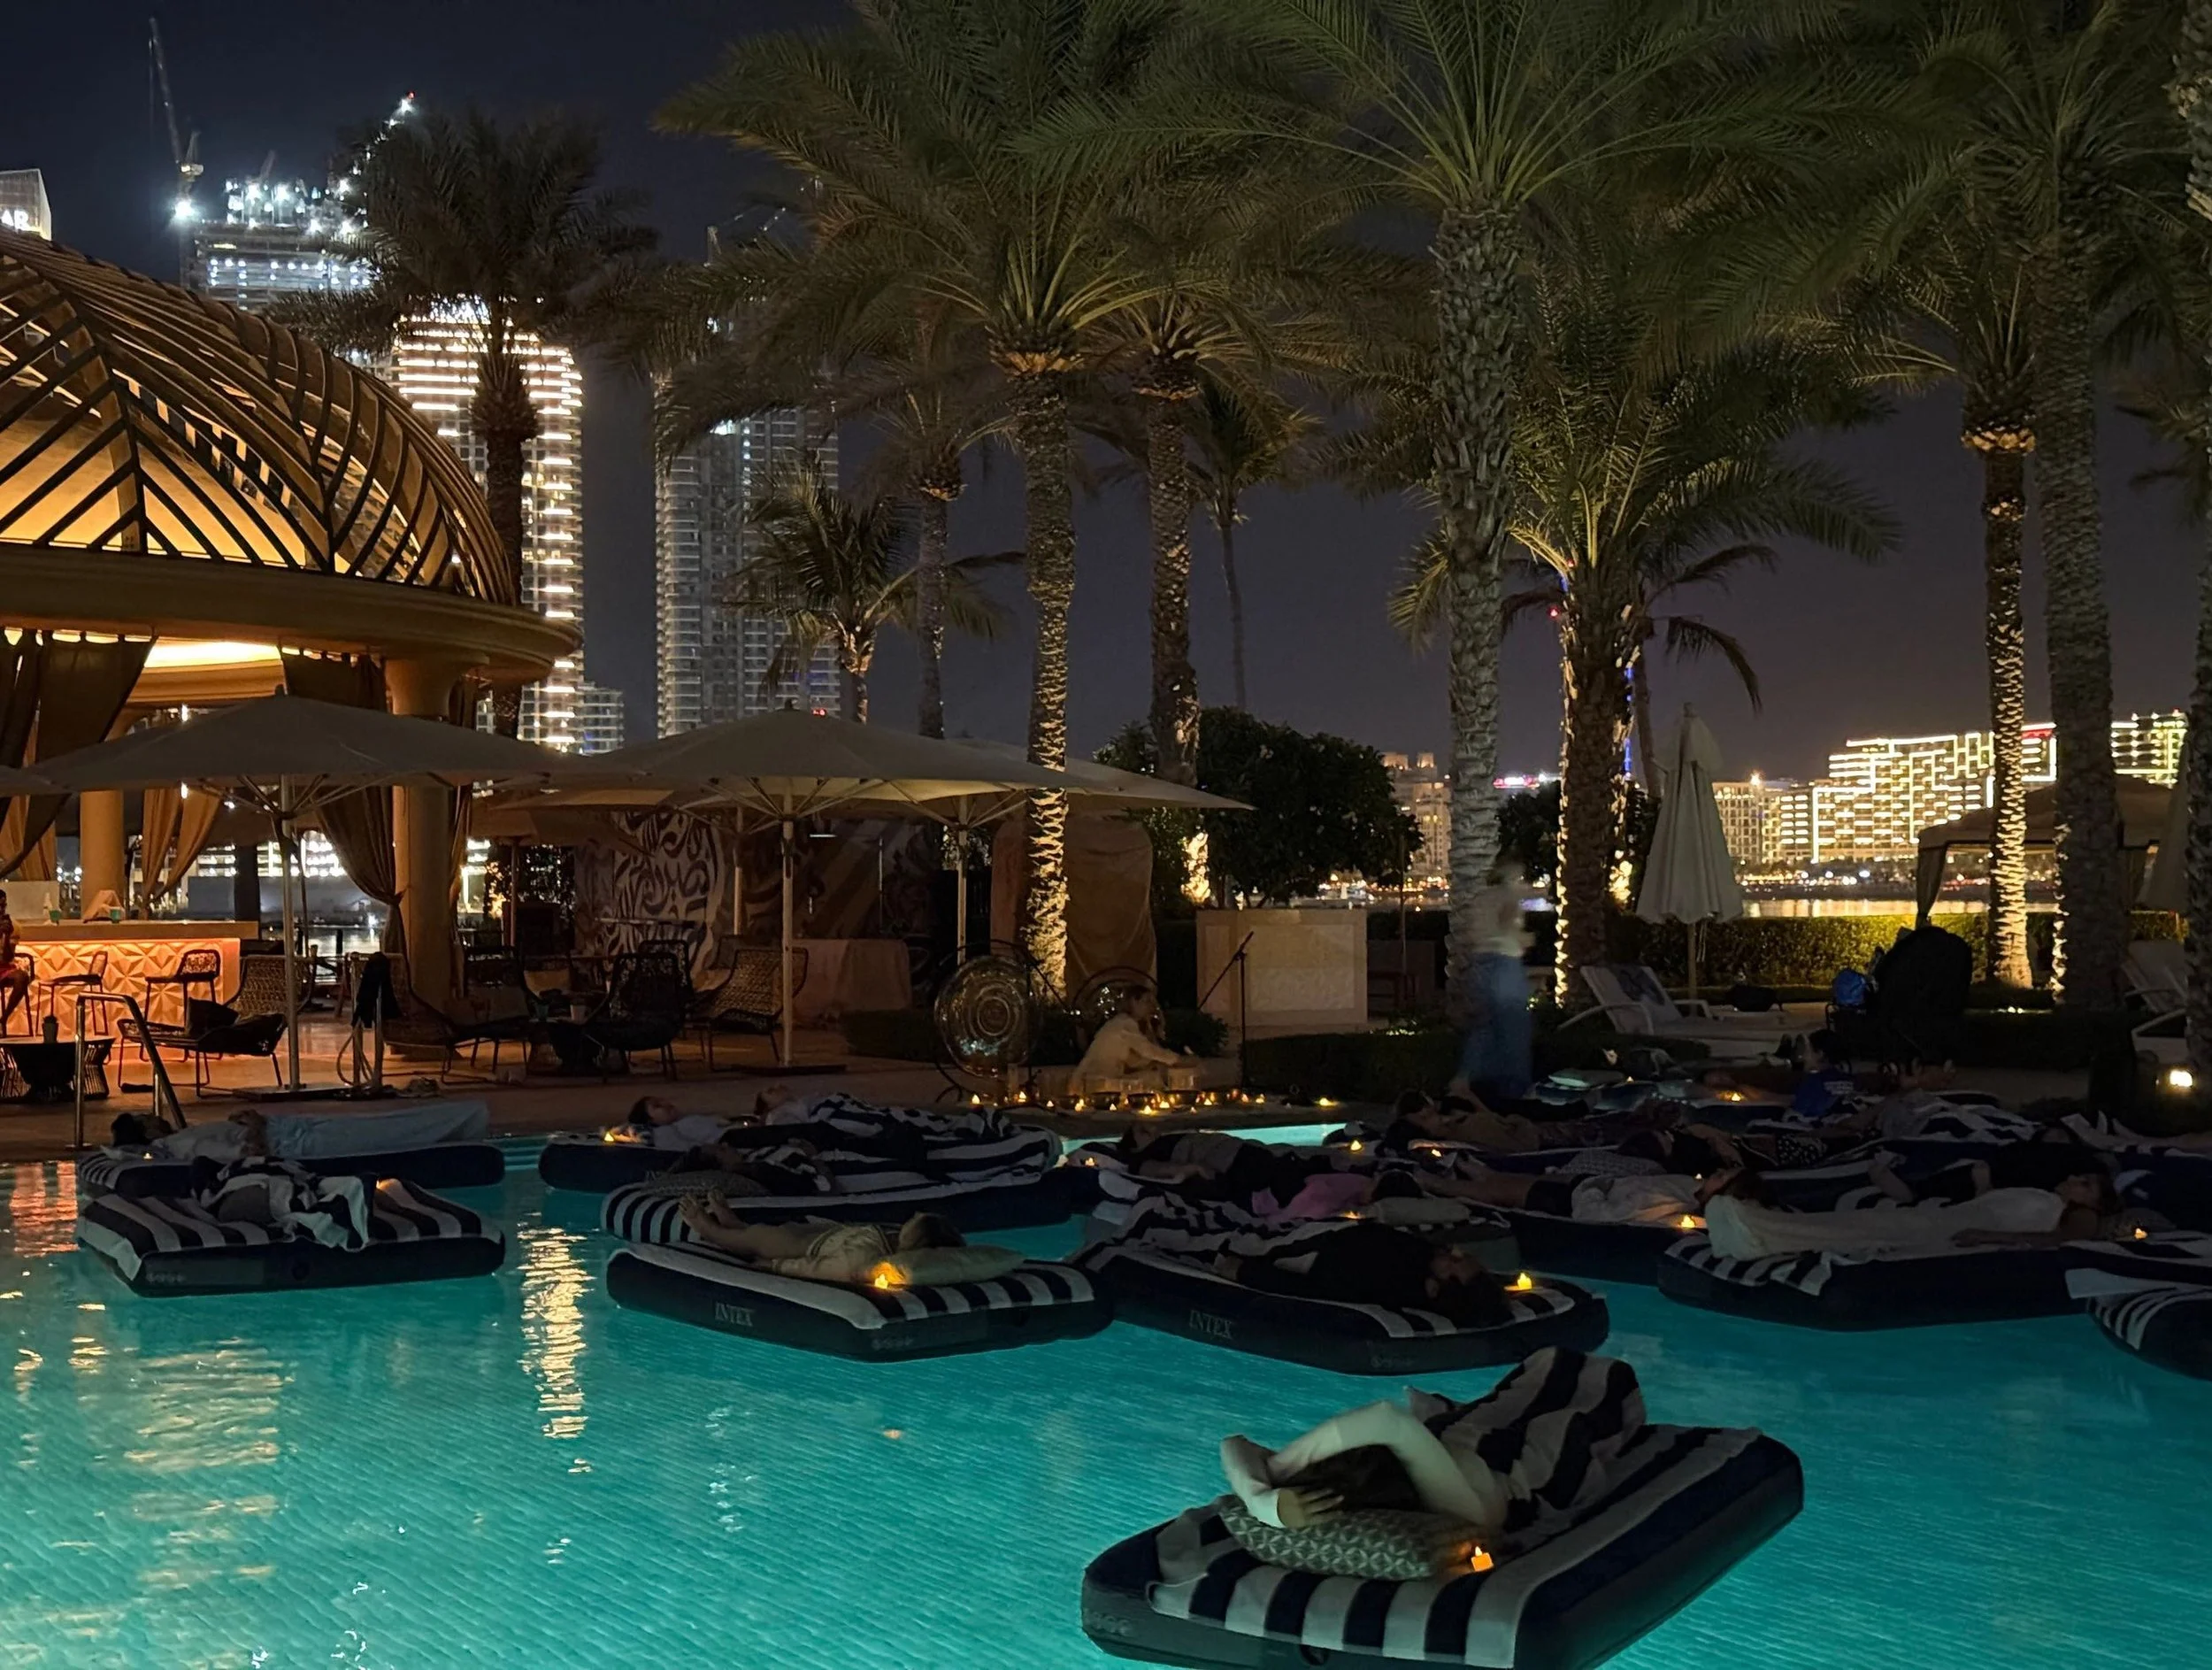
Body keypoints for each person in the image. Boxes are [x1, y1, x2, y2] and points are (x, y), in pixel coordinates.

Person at [1704, 1166, 2130, 1260]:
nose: (2075, 1180)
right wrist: (1983, 1185)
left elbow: (2062, 1241)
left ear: (2093, 1202)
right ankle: (1754, 1227)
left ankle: (1755, 1235)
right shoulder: (2042, 1193)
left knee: (1853, 1233)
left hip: (1947, 1229)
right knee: (1851, 1223)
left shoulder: (2074, 1214)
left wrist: (1988, 1238)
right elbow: (1992, 1206)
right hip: (1944, 1216)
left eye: (2086, 1184)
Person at [1214, 1221, 1512, 1325]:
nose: (1456, 1252)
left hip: (1304, 1245)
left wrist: (1245, 1272)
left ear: (1435, 1289)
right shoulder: (1423, 1259)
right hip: (1328, 1230)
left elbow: (1311, 1292)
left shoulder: (1377, 1281)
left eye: (1456, 1262)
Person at [676, 1195, 964, 1281]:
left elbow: (827, 1269)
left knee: (762, 1239)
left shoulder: (870, 1256)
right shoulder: (889, 1237)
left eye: (914, 1222)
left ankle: (712, 1231)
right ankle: (736, 1225)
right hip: (827, 1234)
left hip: (804, 1248)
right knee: (767, 1230)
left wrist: (776, 1266)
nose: (910, 1217)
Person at [1450, 861, 1534, 1104]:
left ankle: (1466, 1083)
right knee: (1512, 1027)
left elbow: (1474, 933)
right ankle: (1514, 1093)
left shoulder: (1482, 898)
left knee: (1485, 1027)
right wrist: (1526, 939)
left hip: (1482, 963)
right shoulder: (1508, 896)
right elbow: (1507, 927)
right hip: (1505, 962)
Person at [1069, 987, 1189, 1097]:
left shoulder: (1126, 1023)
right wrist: (1179, 1060)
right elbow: (1148, 1050)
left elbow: (1138, 1059)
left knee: (1151, 1075)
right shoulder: (1124, 1024)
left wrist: (1151, 1026)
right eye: (1147, 1001)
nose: (1151, 1007)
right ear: (1133, 1002)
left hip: (1101, 1079)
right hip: (1095, 1082)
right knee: (1149, 1079)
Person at [626, 1096, 732, 1150]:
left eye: (663, 1100)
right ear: (649, 1119)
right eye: (657, 1106)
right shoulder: (663, 1133)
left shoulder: (683, 1121)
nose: (666, 1104)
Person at [0, 890, 31, 1032]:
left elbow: (7, 957)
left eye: (3, 906)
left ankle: (4, 1019)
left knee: (22, 977)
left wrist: (6, 937)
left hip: (4, 966)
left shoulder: (12, 926)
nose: (1, 909)